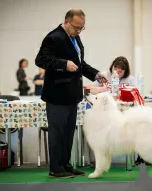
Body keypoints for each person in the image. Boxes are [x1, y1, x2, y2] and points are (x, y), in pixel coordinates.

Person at [35, 9, 106, 178]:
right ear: (66, 22)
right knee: (57, 132)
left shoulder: (74, 38)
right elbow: (41, 60)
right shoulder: (53, 37)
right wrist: (63, 64)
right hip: (57, 94)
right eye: (76, 27)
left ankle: (66, 165)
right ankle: (55, 168)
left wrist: (95, 74)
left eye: (82, 28)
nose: (79, 31)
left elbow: (80, 64)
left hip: (72, 95)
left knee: (68, 133)